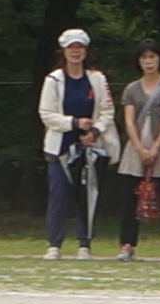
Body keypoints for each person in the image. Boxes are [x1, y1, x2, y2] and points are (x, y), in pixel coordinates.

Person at [38, 28, 118, 260]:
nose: (76, 52)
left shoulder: (97, 79)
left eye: (80, 47)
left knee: (87, 195)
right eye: (71, 47)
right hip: (60, 147)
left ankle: (85, 244)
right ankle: (54, 244)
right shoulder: (53, 80)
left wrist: (94, 131)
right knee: (59, 195)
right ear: (63, 51)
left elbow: (107, 111)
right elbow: (46, 114)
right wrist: (73, 123)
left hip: (89, 147)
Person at [116, 38, 160, 261]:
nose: (148, 61)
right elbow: (128, 120)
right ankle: (127, 244)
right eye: (144, 57)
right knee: (130, 197)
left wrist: (156, 147)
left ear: (159, 59)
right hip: (136, 146)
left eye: (152, 57)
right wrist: (139, 148)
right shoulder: (131, 89)